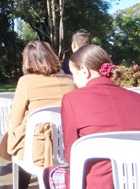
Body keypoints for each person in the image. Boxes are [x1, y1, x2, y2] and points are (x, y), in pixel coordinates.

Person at [46, 44, 140, 189]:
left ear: (84, 71)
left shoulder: (72, 100)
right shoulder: (136, 98)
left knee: (48, 173)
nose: (73, 80)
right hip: (134, 182)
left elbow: (72, 153)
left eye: (73, 74)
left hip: (96, 184)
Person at [0, 40, 76, 189]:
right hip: (67, 146)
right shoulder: (71, 81)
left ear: (28, 60)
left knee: (20, 135)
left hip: (37, 149)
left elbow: (15, 120)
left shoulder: (26, 82)